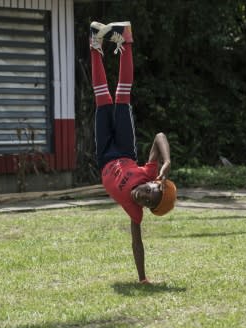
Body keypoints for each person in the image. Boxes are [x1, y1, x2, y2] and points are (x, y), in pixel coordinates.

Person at [89, 21, 177, 284]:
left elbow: (137, 244)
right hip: (126, 150)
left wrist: (142, 278)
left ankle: (95, 43)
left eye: (149, 202)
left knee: (101, 96)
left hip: (105, 155)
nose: (145, 197)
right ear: (154, 183)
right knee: (122, 94)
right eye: (152, 192)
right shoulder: (148, 173)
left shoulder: (134, 211)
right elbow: (160, 136)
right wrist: (166, 161)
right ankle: (126, 39)